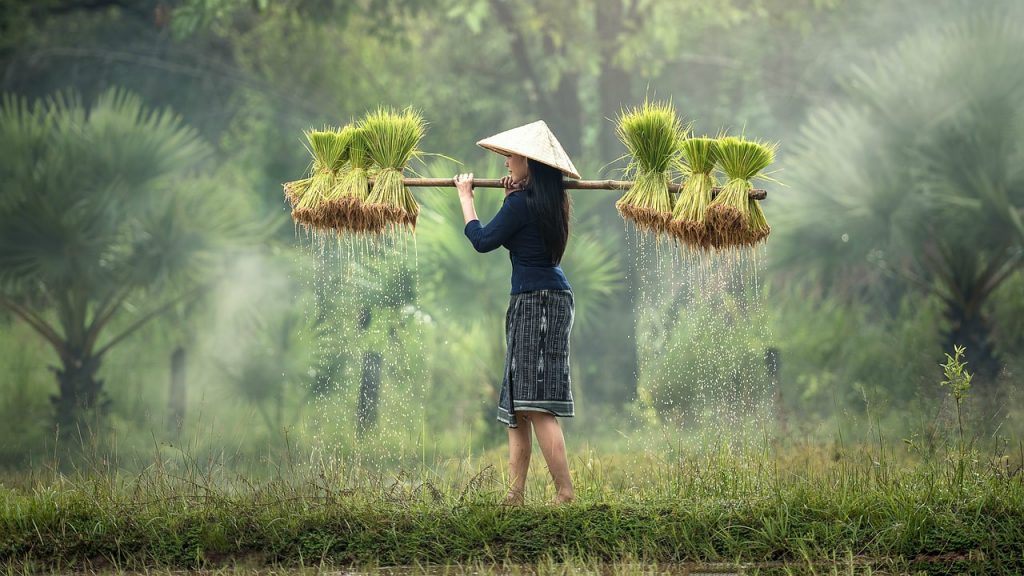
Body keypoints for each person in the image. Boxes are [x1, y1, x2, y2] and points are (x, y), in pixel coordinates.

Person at [453, 120, 581, 506]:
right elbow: (517, 226)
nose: (506, 163)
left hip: (538, 301)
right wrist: (510, 198)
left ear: (528, 161)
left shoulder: (523, 204)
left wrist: (466, 196)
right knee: (518, 403)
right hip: (540, 298)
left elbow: (483, 240)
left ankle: (565, 492)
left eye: (511, 157)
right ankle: (515, 495)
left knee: (534, 404)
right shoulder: (545, 202)